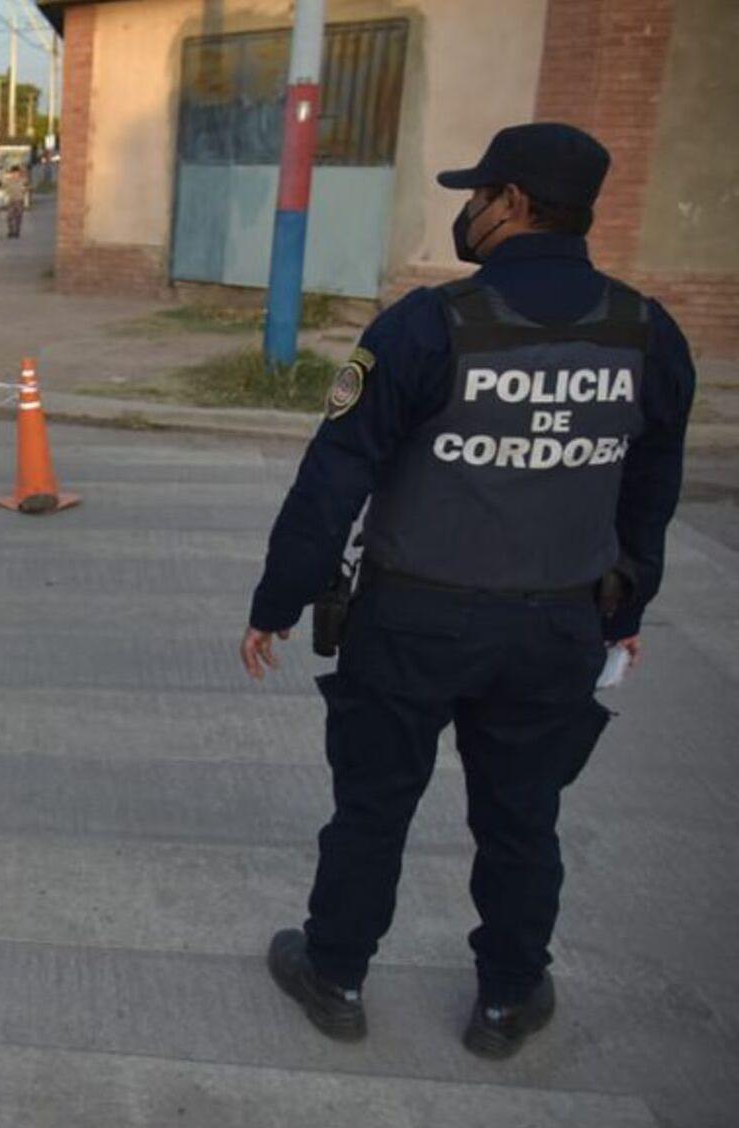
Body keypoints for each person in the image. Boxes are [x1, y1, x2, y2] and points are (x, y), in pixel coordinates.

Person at [240, 122, 695, 1059]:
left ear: (514, 204)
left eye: (477, 193)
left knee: (374, 805)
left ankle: (336, 976)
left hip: (413, 621)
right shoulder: (648, 333)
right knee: (523, 815)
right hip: (560, 625)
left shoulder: (426, 326)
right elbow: (650, 496)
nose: (469, 210)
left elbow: (335, 479)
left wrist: (277, 603)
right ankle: (507, 1001)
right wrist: (629, 614)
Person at [2, 162, 29, 239]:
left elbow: (27, 185)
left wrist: (25, 189)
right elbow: (3, 185)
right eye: (14, 173)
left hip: (19, 200)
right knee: (9, 217)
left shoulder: (23, 180)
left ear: (19, 173)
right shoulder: (8, 180)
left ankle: (17, 231)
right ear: (12, 173)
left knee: (18, 216)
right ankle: (11, 231)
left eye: (17, 173)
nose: (15, 174)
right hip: (11, 200)